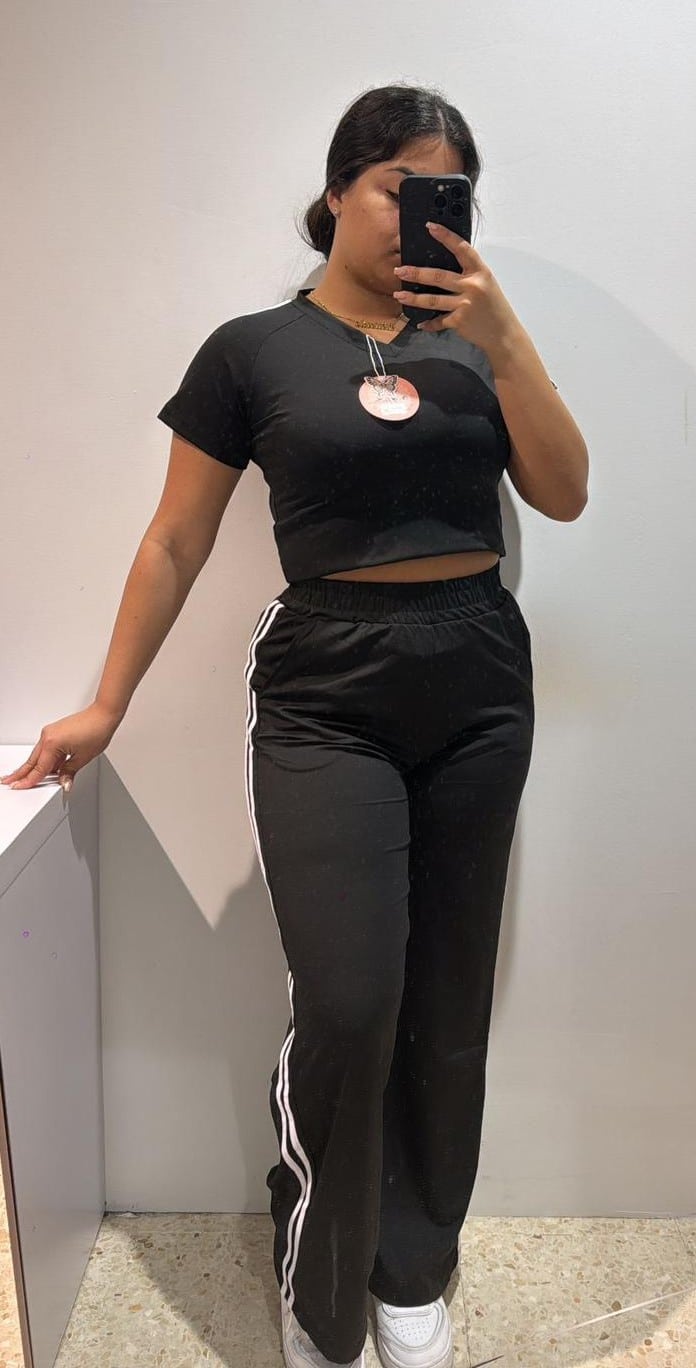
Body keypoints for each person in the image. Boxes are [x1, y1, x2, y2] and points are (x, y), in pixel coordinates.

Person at [1, 83, 588, 1368]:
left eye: (449, 196)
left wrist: (505, 336)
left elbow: (565, 493)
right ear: (338, 190)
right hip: (327, 686)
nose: (423, 217)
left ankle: (414, 1271)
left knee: (448, 996)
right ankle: (322, 1288)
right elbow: (176, 538)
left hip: (480, 674)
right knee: (350, 998)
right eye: (398, 189)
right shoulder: (251, 351)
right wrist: (108, 702)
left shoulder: (477, 340)